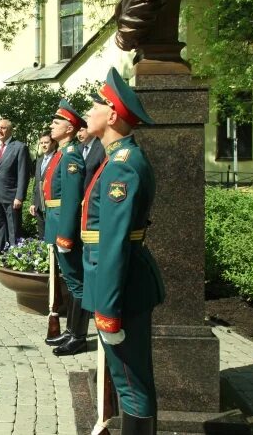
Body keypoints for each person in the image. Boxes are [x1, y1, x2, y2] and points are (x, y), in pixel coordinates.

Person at [82, 67, 165, 431]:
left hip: (121, 284)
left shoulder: (122, 166)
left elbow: (114, 241)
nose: (89, 110)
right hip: (112, 278)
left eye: (96, 104)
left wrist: (109, 305)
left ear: (112, 115)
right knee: (124, 376)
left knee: (131, 382)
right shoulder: (114, 159)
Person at [43, 100, 90, 357]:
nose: (52, 125)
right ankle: (72, 331)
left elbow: (72, 199)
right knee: (71, 282)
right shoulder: (61, 153)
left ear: (70, 128)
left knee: (76, 282)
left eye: (57, 122)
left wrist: (65, 234)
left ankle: (78, 337)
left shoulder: (71, 156)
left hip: (64, 224)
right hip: (56, 219)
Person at [0, 119, 30, 255]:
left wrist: (19, 197)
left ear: (10, 130)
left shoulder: (20, 147)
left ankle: (15, 257)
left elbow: (23, 174)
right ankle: (2, 256)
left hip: (11, 196)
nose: (0, 131)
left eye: (3, 128)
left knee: (13, 229)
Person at [29, 132, 56, 238]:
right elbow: (36, 183)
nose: (44, 145)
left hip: (52, 205)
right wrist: (33, 202)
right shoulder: (39, 161)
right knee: (42, 236)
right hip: (39, 205)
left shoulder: (58, 158)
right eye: (41, 143)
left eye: (46, 142)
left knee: (52, 236)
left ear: (53, 143)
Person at [78, 126, 105, 193]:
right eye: (77, 132)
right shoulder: (78, 148)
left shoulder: (102, 147)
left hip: (94, 195)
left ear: (90, 129)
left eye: (81, 130)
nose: (79, 134)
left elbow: (103, 175)